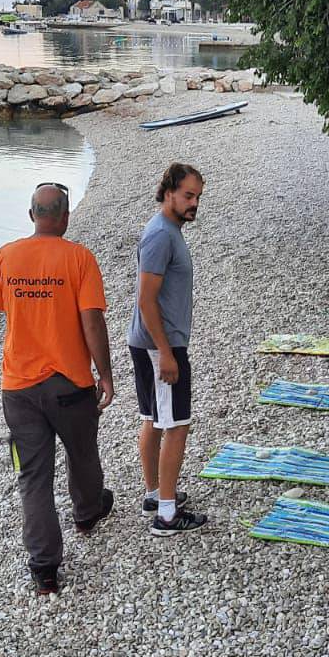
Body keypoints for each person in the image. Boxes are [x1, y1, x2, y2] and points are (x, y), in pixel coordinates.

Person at [0, 183, 114, 594]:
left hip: (19, 387)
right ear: (65, 216)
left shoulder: (6, 256)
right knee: (82, 454)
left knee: (32, 477)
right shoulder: (79, 258)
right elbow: (92, 322)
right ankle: (87, 513)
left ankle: (44, 567)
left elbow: (8, 309)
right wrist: (106, 375)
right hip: (69, 384)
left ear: (32, 216)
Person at [128, 162, 209, 536]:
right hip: (160, 344)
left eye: (198, 197)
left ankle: (156, 493)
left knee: (154, 419)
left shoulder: (168, 230)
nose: (194, 203)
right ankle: (166, 515)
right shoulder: (161, 235)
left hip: (149, 343)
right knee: (176, 425)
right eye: (188, 196)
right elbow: (147, 299)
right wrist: (167, 353)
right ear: (169, 192)